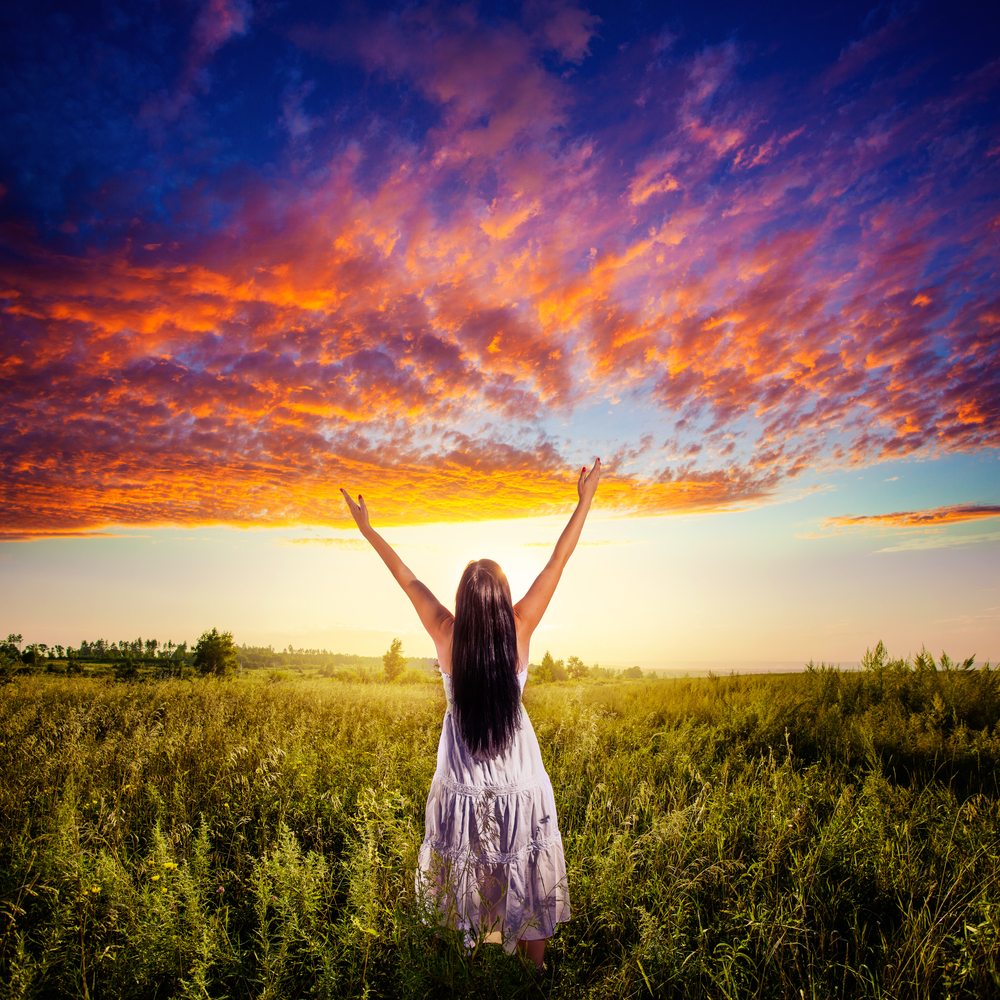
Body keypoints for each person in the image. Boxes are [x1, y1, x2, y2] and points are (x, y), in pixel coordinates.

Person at [340, 458, 601, 971]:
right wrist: (584, 498)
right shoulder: (520, 629)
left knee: (455, 872)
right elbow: (557, 562)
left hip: (460, 780)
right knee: (524, 864)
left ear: (462, 600)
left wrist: (368, 530)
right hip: (519, 782)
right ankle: (533, 969)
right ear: (502, 601)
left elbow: (406, 577)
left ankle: (454, 967)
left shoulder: (446, 634)